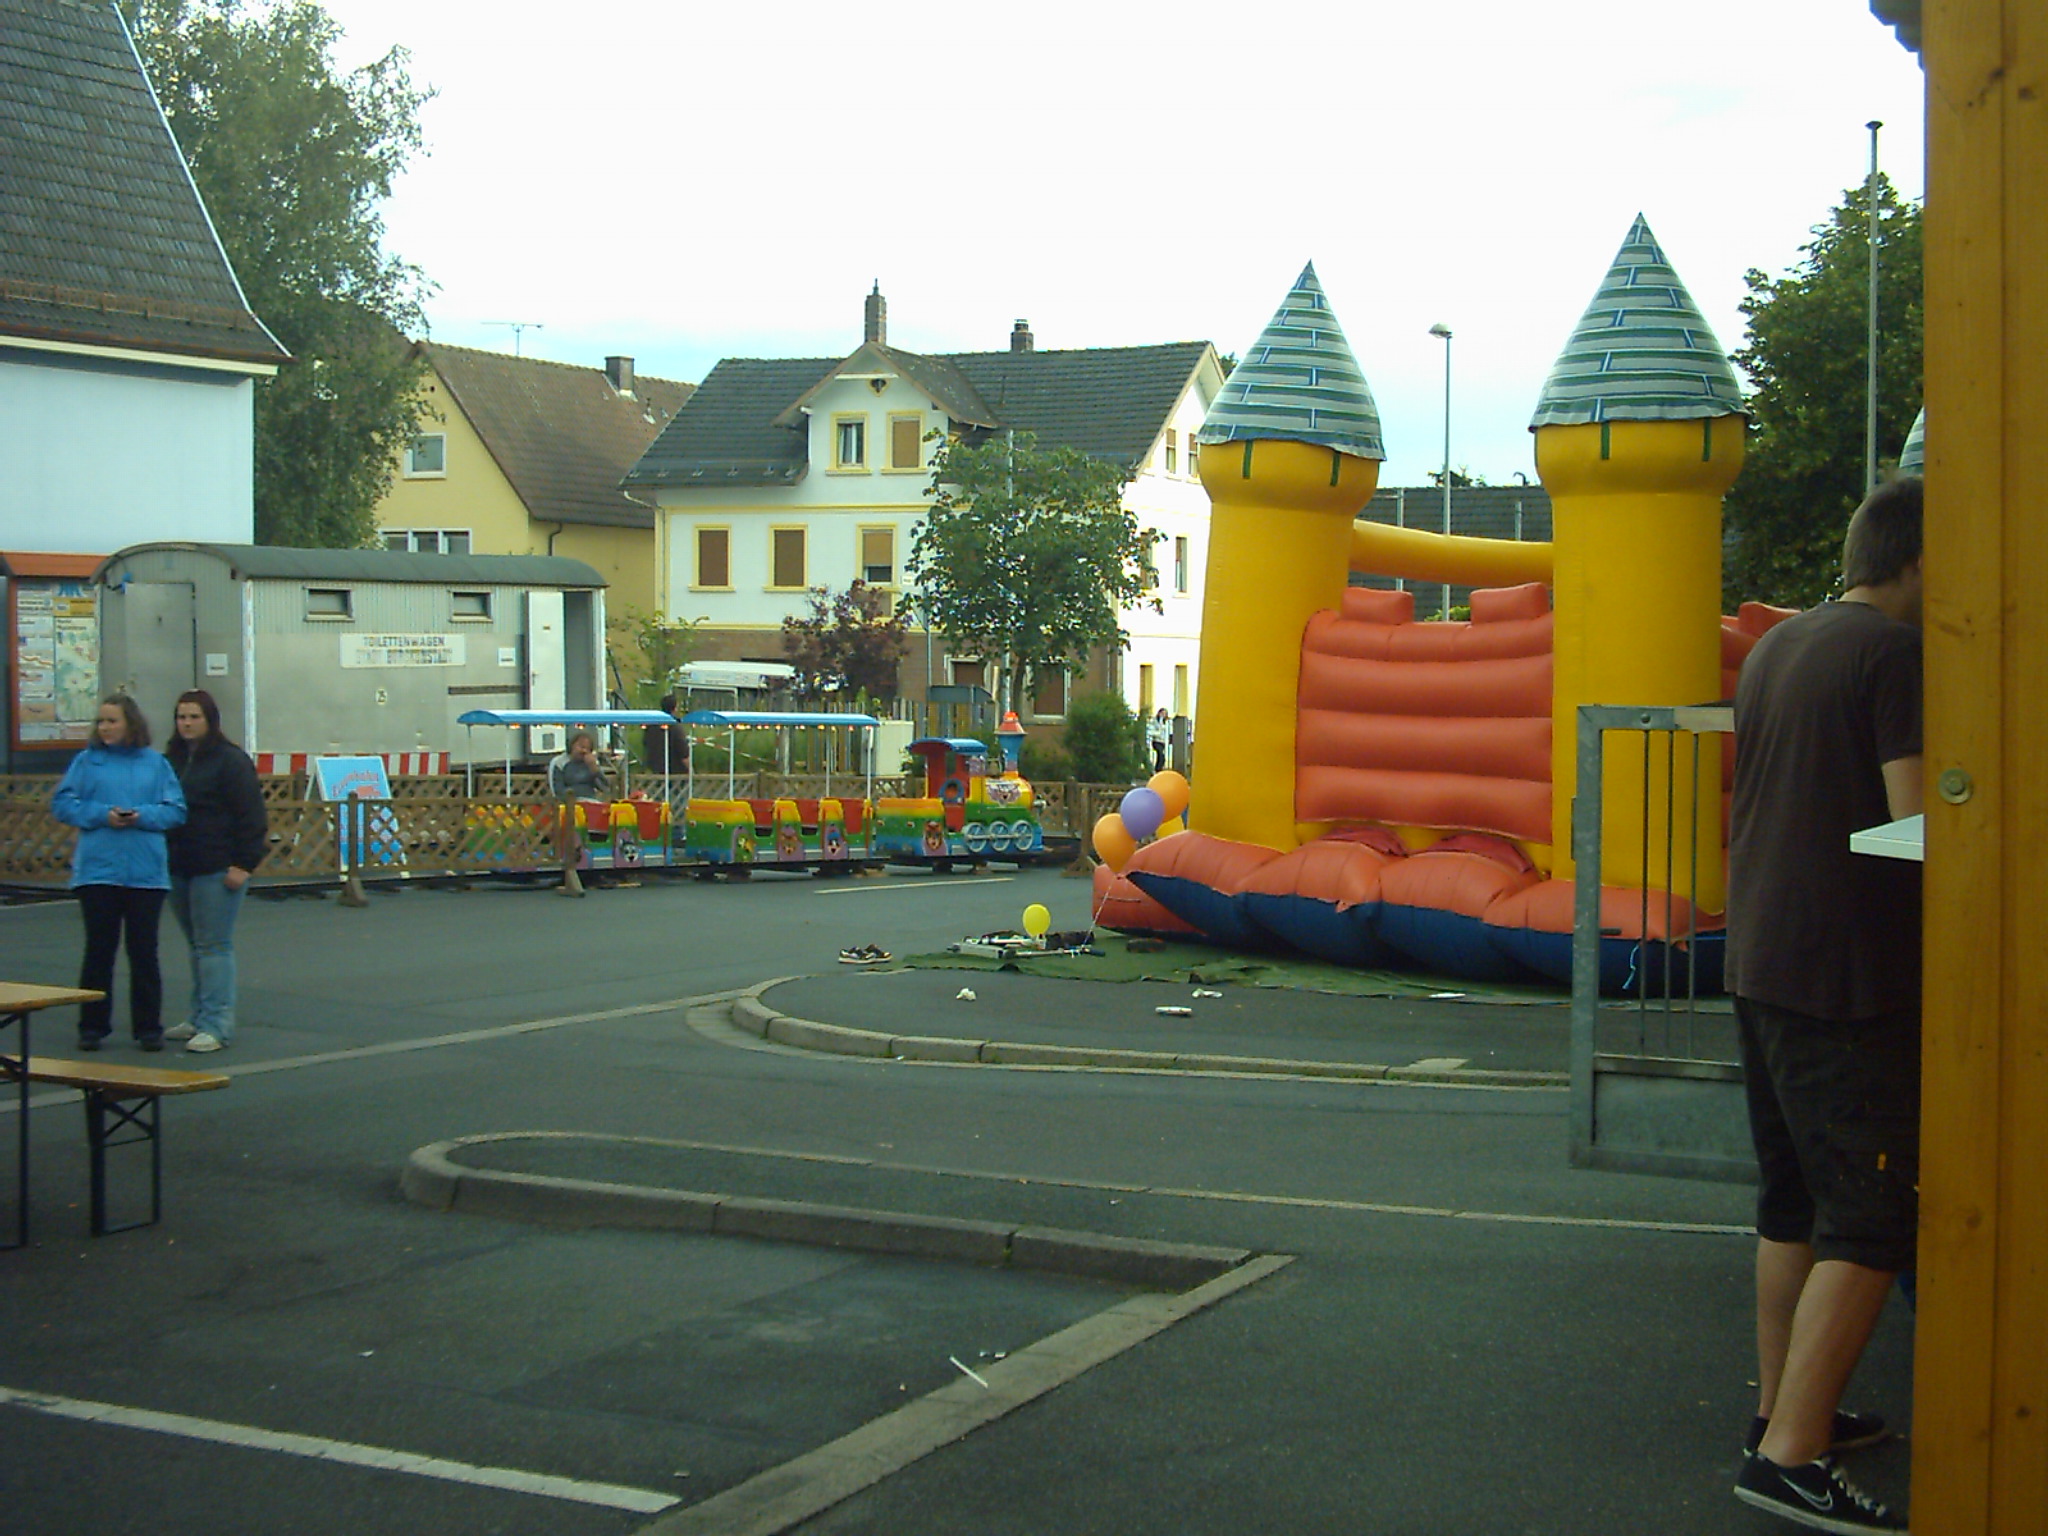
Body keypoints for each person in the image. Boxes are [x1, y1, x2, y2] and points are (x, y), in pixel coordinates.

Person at [1726, 477, 1923, 1534]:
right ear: (1921, 560)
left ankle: (1779, 1414)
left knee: (1792, 1204)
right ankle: (1791, 1457)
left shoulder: (1779, 646)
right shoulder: (1892, 654)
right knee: (1871, 1215)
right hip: (1844, 974)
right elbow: (1913, 829)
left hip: (1759, 959)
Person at [50, 694, 186, 1052]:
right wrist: (101, 815)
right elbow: (63, 804)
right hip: (98, 871)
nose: (104, 728)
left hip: (145, 873)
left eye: (112, 721)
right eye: (101, 721)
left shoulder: (155, 764)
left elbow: (175, 810)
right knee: (99, 950)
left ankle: (148, 1027)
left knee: (143, 952)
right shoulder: (87, 761)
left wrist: (141, 816)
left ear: (130, 724)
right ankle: (92, 1025)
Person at [162, 689, 268, 1054]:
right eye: (181, 717)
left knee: (213, 945)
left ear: (210, 720)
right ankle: (198, 1015)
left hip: (217, 867)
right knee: (196, 945)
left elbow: (251, 815)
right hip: (179, 865)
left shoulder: (230, 760)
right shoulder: (172, 760)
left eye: (194, 717)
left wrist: (244, 864)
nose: (187, 723)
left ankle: (217, 1024)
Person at [1147, 708, 1170, 772]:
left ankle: (1159, 769)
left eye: (1165, 714)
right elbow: (1152, 731)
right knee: (1160, 755)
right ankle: (1157, 769)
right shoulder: (1155, 721)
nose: (1163, 715)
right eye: (1162, 713)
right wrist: (1160, 722)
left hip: (1163, 742)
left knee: (1162, 757)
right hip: (1156, 741)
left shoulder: (1167, 722)